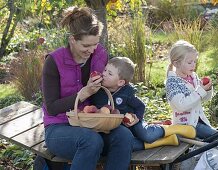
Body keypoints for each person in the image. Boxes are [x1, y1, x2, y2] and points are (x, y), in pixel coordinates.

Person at [41, 6, 133, 170]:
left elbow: (114, 86)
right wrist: (83, 94)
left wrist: (127, 108)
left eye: (95, 44)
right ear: (72, 40)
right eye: (86, 46)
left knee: (124, 136)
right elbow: (52, 107)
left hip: (93, 123)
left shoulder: (100, 54)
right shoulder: (54, 62)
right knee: (90, 141)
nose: (91, 50)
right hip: (59, 128)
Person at [91, 57, 196, 151]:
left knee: (146, 136)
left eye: (109, 73)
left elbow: (140, 106)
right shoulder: (98, 91)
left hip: (132, 121)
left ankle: (173, 128)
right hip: (117, 128)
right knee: (127, 145)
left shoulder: (126, 93)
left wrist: (137, 118)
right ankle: (166, 140)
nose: (104, 74)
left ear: (120, 82)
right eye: (105, 70)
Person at [165, 40, 218, 163]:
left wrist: (207, 90)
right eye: (189, 62)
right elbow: (181, 105)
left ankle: (207, 164)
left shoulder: (193, 76)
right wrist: (200, 91)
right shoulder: (172, 82)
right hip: (186, 124)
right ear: (176, 63)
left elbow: (203, 99)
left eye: (194, 61)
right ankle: (213, 164)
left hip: (199, 122)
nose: (193, 65)